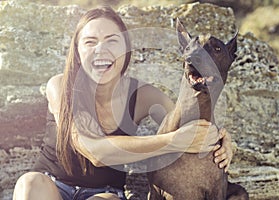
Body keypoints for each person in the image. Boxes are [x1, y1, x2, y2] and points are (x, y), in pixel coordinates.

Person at [13, 6, 233, 200]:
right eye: (90, 42)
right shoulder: (60, 86)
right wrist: (174, 141)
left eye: (112, 41)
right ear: (78, 52)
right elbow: (93, 150)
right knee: (30, 183)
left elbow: (189, 120)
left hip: (105, 193)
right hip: (51, 187)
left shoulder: (142, 95)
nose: (101, 50)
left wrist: (222, 140)